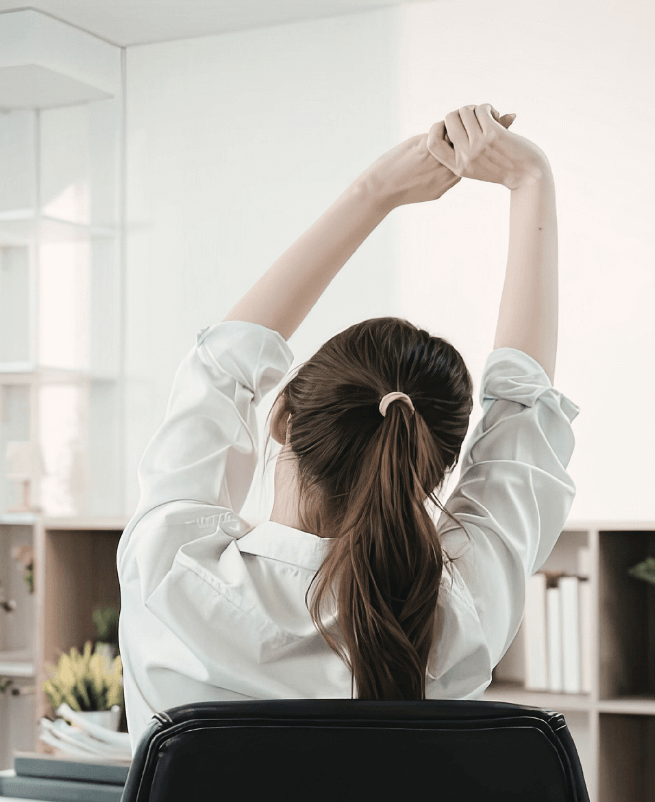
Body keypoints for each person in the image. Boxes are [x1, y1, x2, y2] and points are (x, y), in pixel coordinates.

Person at [116, 103, 577, 745]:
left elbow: (219, 369)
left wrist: (375, 192)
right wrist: (532, 181)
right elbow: (524, 408)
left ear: (280, 416)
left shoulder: (170, 569)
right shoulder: (460, 608)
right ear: (432, 462)